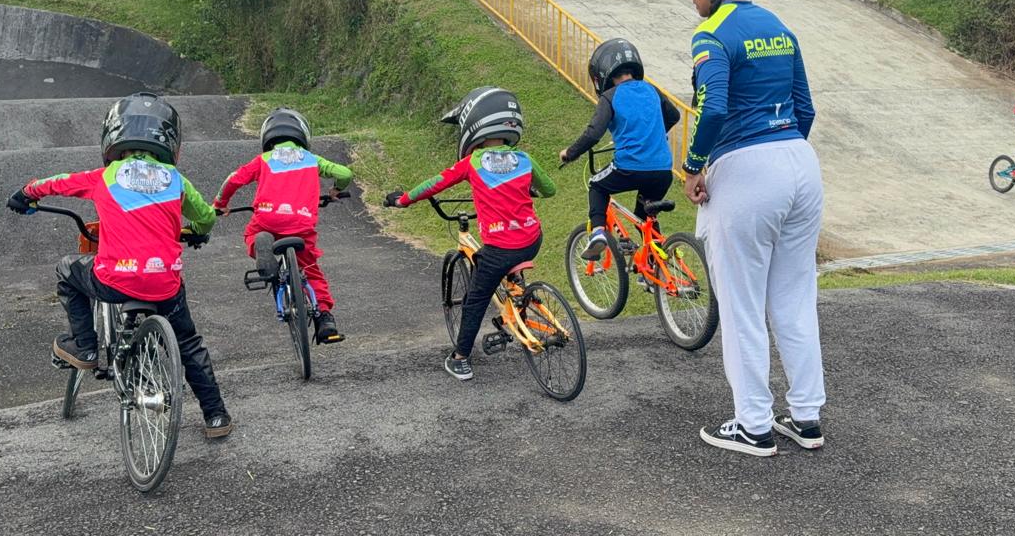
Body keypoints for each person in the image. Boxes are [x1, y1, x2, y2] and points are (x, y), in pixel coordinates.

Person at [669, 0, 825, 457]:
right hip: (800, 164)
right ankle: (805, 417)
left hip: (746, 166)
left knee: (740, 303)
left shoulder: (710, 34)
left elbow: (712, 107)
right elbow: (805, 107)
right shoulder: (779, 26)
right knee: (794, 298)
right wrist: (782, 154)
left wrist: (693, 166)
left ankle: (753, 424)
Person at [7, 92, 233, 438]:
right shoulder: (176, 180)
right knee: (188, 342)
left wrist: (26, 193)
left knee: (68, 269)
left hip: (114, 280)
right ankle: (216, 416)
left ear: (114, 138)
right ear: (171, 142)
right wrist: (199, 232)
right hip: (164, 284)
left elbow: (56, 183)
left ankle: (84, 346)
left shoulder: (104, 176)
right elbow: (205, 217)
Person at [383, 87, 556, 381]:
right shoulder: (525, 159)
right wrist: (529, 189)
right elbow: (549, 190)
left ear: (473, 125)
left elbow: (434, 184)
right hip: (531, 240)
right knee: (510, 259)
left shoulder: (472, 163)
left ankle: (460, 357)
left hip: (500, 247)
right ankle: (518, 295)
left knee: (476, 298)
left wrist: (402, 200)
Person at [213, 107, 353, 344]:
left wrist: (220, 203)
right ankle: (325, 321)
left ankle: (261, 249)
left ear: (267, 136)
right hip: (301, 222)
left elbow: (233, 179)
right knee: (310, 269)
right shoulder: (312, 160)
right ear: (302, 135)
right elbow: (344, 172)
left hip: (268, 220)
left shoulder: (263, 160)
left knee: (253, 234)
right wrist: (336, 190)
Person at [559, 38, 680, 260]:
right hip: (663, 171)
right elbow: (674, 115)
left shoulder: (610, 96)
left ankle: (597, 234)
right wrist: (653, 134)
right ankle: (655, 269)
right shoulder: (651, 89)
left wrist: (570, 153)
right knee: (644, 216)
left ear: (601, 74)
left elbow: (594, 133)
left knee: (596, 185)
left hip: (630, 167)